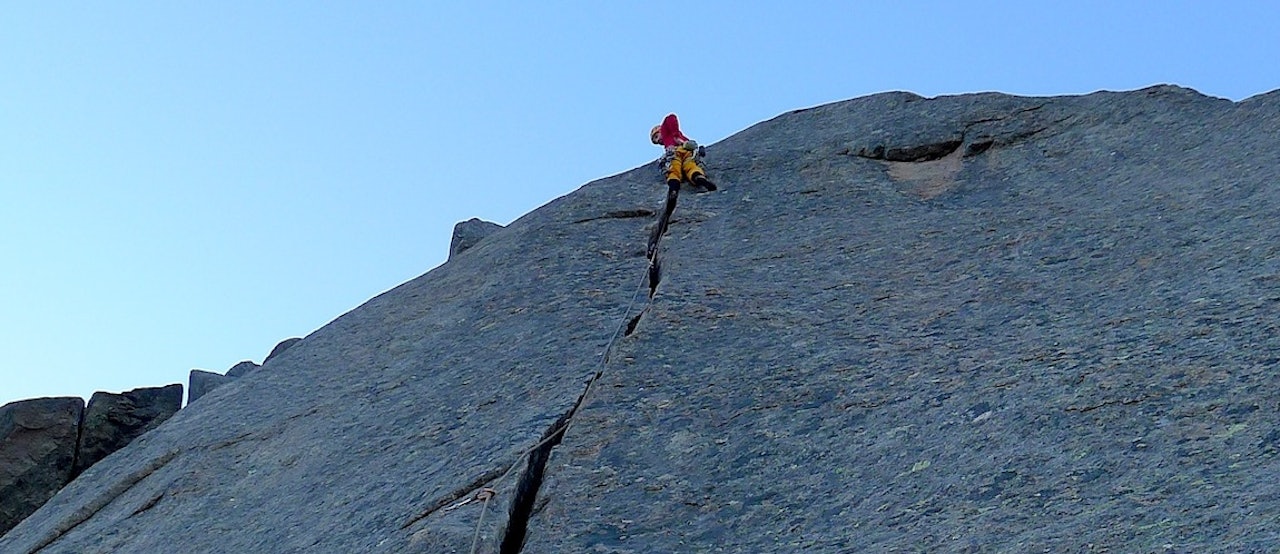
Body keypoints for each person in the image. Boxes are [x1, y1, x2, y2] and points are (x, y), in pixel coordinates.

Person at [651, 114, 716, 192]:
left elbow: (671, 117)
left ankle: (674, 187)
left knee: (674, 170)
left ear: (660, 130)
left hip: (675, 153)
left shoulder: (666, 133)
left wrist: (675, 136)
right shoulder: (681, 138)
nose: (658, 141)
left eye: (656, 137)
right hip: (687, 152)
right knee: (691, 166)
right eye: (656, 142)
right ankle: (699, 177)